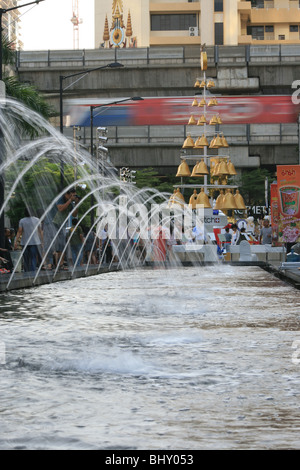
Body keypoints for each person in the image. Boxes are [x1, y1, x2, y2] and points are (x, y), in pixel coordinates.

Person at [52, 189, 79, 269]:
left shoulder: (70, 203)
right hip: (53, 223)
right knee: (54, 245)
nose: (73, 197)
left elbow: (74, 214)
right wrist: (70, 200)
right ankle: (52, 263)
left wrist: (76, 203)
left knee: (62, 244)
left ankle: (61, 264)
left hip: (62, 225)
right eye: (73, 195)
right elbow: (60, 209)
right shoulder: (61, 199)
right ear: (68, 194)